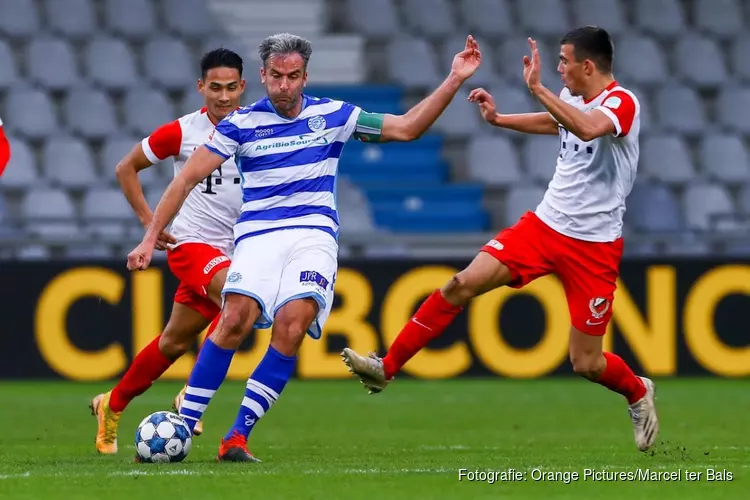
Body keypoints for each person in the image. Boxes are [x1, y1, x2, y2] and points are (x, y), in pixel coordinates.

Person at [126, 32, 482, 462]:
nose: (284, 86)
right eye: (276, 76)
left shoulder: (334, 115)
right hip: (258, 235)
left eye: (293, 77)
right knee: (235, 316)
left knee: (293, 325)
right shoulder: (241, 124)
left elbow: (406, 128)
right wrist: (150, 236)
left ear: (305, 76)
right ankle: (184, 423)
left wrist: (454, 78)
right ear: (262, 76)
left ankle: (236, 437)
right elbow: (184, 179)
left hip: (313, 235)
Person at [342, 26, 659, 452]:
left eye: (564, 61)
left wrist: (538, 88)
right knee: (461, 284)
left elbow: (585, 129)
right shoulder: (570, 99)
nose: (559, 67)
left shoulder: (622, 102)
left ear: (588, 65)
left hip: (594, 245)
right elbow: (557, 123)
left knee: (586, 362)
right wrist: (499, 119)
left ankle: (638, 392)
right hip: (544, 227)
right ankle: (387, 365)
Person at [90, 48, 246, 454]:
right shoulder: (183, 132)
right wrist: (149, 224)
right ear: (201, 87)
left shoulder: (257, 128)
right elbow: (126, 167)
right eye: (215, 87)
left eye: (231, 87)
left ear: (243, 86)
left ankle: (112, 403)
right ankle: (193, 393)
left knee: (173, 343)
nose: (224, 96)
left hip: (239, 250)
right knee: (238, 298)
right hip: (191, 244)